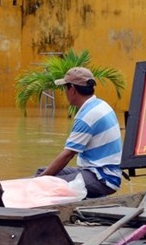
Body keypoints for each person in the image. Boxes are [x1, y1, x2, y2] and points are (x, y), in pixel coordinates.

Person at [37, 67, 122, 197]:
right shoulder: (101, 104)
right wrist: (43, 176)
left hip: (103, 178)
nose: (65, 92)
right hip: (98, 171)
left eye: (65, 88)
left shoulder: (87, 116)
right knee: (41, 172)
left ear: (72, 89)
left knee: (45, 184)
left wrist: (38, 182)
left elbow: (68, 155)